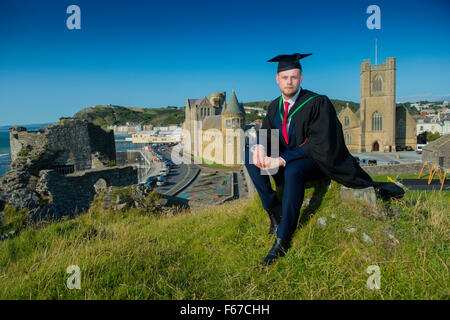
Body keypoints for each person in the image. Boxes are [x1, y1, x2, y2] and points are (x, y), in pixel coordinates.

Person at [244, 53, 404, 266]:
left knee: (293, 170)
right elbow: (267, 133)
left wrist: (281, 160)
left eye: (294, 77)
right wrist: (260, 149)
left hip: (315, 161)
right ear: (277, 80)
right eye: (284, 77)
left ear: (301, 78)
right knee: (249, 158)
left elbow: (319, 143)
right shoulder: (274, 107)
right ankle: (275, 212)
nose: (289, 81)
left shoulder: (317, 103)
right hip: (285, 158)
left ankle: (283, 238)